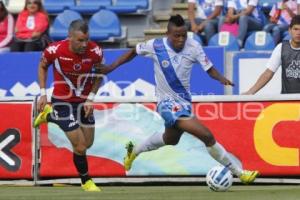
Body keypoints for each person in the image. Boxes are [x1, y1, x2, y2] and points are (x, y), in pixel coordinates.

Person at [100, 14, 259, 183]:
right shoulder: (155, 45)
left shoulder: (194, 46)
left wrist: (220, 78)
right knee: (206, 136)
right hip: (165, 103)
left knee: (170, 139)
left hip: (184, 102)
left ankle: (134, 151)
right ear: (168, 34)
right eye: (177, 35)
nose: (181, 39)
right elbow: (133, 51)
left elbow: (209, 68)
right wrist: (111, 66)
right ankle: (240, 173)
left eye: (184, 35)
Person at [33, 19, 104, 192]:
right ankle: (86, 181)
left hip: (84, 102)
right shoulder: (55, 50)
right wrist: (43, 93)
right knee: (79, 147)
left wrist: (91, 99)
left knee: (88, 143)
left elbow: (99, 74)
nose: (84, 44)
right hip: (62, 101)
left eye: (86, 39)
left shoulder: (95, 51)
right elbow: (42, 67)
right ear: (69, 37)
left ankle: (49, 116)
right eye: (80, 40)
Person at [244, 15, 300, 94]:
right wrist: (250, 92)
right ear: (289, 30)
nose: (298, 33)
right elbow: (268, 73)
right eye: (296, 29)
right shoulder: (281, 48)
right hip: (288, 100)